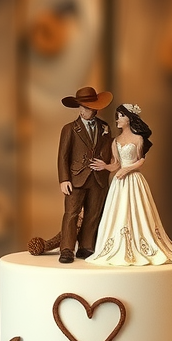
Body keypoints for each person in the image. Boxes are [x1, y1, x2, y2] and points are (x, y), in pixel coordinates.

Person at [86, 104, 172, 267]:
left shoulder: (138, 139)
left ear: (129, 118)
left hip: (134, 180)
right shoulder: (116, 141)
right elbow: (116, 164)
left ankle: (142, 242)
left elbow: (141, 161)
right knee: (119, 212)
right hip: (119, 183)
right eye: (117, 116)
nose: (117, 119)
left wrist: (127, 169)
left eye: (121, 116)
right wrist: (105, 166)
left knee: (138, 211)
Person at [57, 86, 114, 263]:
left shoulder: (104, 127)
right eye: (80, 107)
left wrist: (104, 165)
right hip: (76, 178)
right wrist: (64, 178)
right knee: (71, 213)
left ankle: (86, 246)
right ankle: (66, 249)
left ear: (95, 108)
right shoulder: (70, 129)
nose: (83, 111)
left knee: (93, 213)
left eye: (87, 108)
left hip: (98, 178)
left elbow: (107, 149)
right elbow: (63, 155)